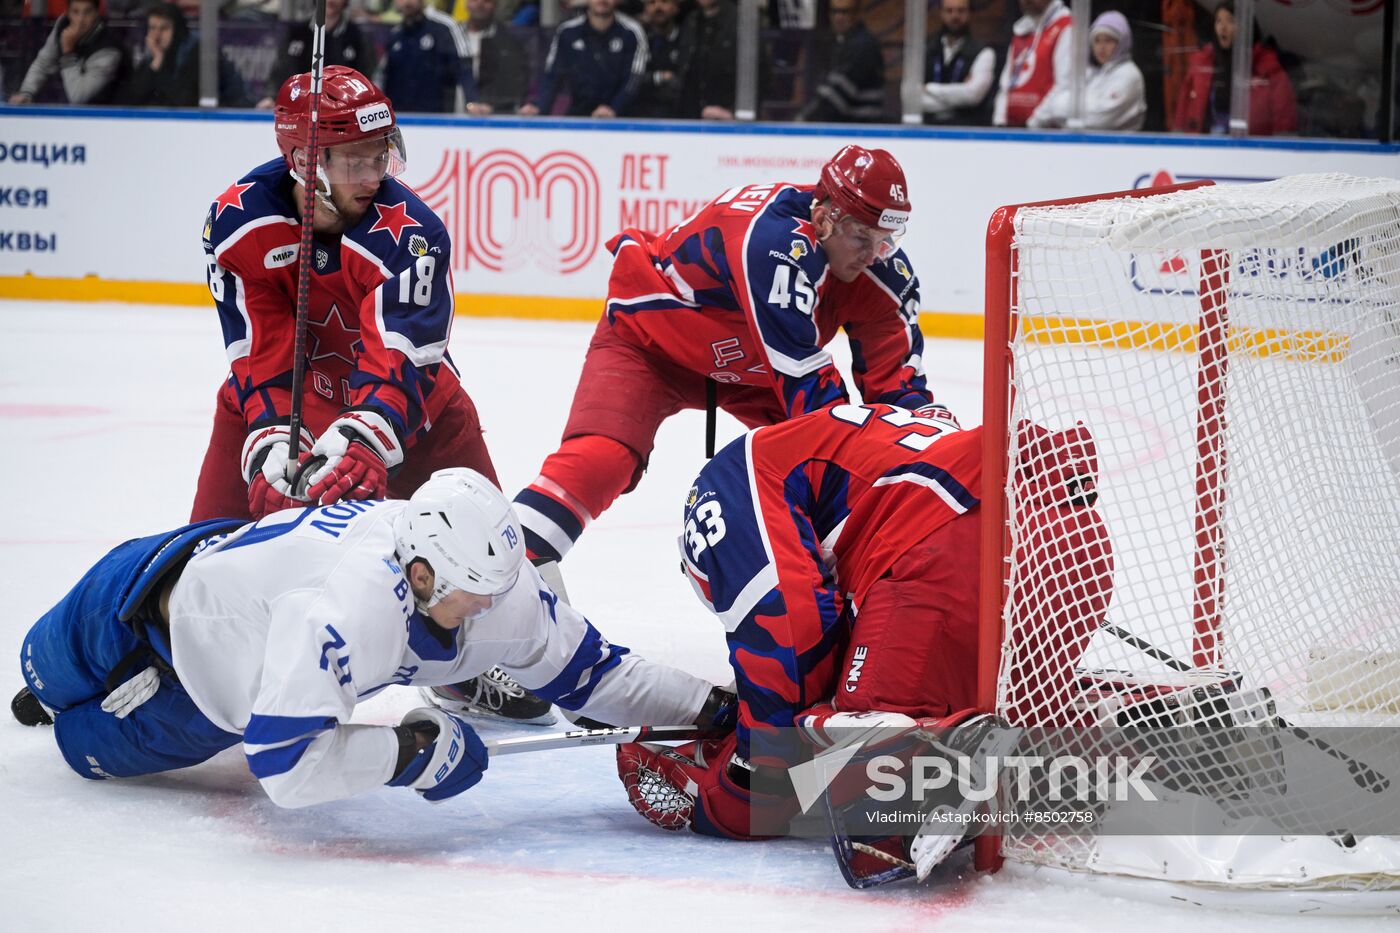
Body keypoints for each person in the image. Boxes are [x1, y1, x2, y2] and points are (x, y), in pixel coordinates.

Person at [11, 469, 733, 809]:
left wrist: (709, 706)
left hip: (192, 691)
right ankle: (49, 694)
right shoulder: (350, 608)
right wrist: (408, 753)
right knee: (36, 669)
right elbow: (284, 768)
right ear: (418, 572)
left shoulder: (492, 586)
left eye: (495, 595)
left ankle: (62, 713)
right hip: (150, 582)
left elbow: (597, 675)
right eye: (470, 599)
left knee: (76, 745)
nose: (487, 614)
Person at [612, 406, 1114, 864]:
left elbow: (786, 652)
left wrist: (716, 799)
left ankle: (940, 760)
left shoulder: (721, 497)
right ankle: (1126, 717)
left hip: (954, 552)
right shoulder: (832, 445)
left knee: (851, 769)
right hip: (1077, 551)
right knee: (1007, 724)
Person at [512, 146, 936, 566]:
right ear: (825, 219)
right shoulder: (773, 242)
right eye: (862, 237)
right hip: (652, 347)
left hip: (758, 373)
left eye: (884, 241)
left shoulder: (882, 276)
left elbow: (898, 398)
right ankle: (500, 570)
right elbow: (809, 391)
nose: (872, 256)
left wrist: (920, 470)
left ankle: (864, 582)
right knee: (601, 460)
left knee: (838, 476)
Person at [1171, 0, 1296, 136]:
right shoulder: (1202, 64)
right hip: (1205, 148)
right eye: (1218, 21)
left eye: (1230, 21)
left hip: (1253, 150)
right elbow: (1182, 113)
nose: (1223, 27)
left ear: (1246, 26)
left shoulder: (1268, 68)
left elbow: (1284, 122)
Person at [518, 0, 648, 118]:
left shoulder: (632, 32)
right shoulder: (567, 32)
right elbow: (552, 75)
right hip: (579, 114)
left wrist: (614, 108)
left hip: (623, 118)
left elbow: (634, 79)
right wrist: (539, 108)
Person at [1027, 10, 1145, 130]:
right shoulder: (1093, 74)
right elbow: (1054, 102)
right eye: (1097, 40)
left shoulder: (1129, 75)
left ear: (1122, 42)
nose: (1102, 47)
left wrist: (1058, 109)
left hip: (1119, 146)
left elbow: (1099, 120)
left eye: (1108, 40)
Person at [257, 0, 378, 109]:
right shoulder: (297, 34)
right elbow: (280, 70)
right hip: (298, 108)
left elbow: (366, 77)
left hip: (342, 112)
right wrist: (272, 97)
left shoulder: (357, 38)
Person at [9, 0, 127, 105]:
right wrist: (26, 92)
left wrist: (68, 53)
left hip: (109, 117)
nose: (80, 20)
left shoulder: (109, 50)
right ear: (67, 12)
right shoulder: (63, 24)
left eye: (87, 12)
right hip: (75, 116)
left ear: (97, 13)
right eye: (75, 12)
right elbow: (43, 63)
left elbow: (78, 97)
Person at [797, 0, 885, 123]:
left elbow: (836, 96)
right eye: (835, 12)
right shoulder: (836, 42)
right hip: (846, 126)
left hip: (861, 127)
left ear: (857, 14)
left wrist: (805, 119)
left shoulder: (863, 45)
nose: (839, 17)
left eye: (845, 12)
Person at [379, 0, 472, 114]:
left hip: (439, 119)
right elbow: (382, 77)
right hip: (401, 118)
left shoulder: (446, 26)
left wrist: (472, 101)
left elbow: (464, 67)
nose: (407, 3)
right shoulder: (395, 35)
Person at [992, 0, 1072, 127]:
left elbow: (1064, 85)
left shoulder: (1066, 26)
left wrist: (1033, 124)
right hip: (1010, 130)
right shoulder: (1021, 28)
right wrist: (999, 122)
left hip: (1044, 133)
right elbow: (1006, 83)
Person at [921, 0, 997, 127]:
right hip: (927, 129)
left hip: (967, 131)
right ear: (941, 13)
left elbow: (973, 95)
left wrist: (929, 88)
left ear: (969, 13)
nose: (955, 16)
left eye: (961, 11)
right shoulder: (925, 49)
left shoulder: (983, 52)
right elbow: (911, 97)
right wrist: (959, 98)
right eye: (949, 11)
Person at [118, 1, 199, 107]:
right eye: (152, 28)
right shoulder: (151, 55)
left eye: (164, 28)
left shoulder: (193, 53)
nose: (156, 35)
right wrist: (156, 62)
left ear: (177, 30)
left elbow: (181, 101)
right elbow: (131, 99)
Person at [461, 0, 530, 115]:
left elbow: (513, 84)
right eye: (474, 0)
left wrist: (494, 107)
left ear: (495, 5)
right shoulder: (450, 35)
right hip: (451, 114)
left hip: (491, 116)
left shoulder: (509, 41)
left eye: (487, 1)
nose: (480, 4)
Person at [675, 0, 737, 120]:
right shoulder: (691, 20)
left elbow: (761, 77)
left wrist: (733, 112)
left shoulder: (740, 22)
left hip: (726, 121)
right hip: (690, 116)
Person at [632, 0, 684, 118]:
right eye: (652, 2)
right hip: (641, 114)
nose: (658, 7)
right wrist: (659, 77)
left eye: (664, 2)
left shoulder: (688, 37)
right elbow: (629, 78)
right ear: (645, 10)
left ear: (676, 7)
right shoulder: (635, 38)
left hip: (681, 116)